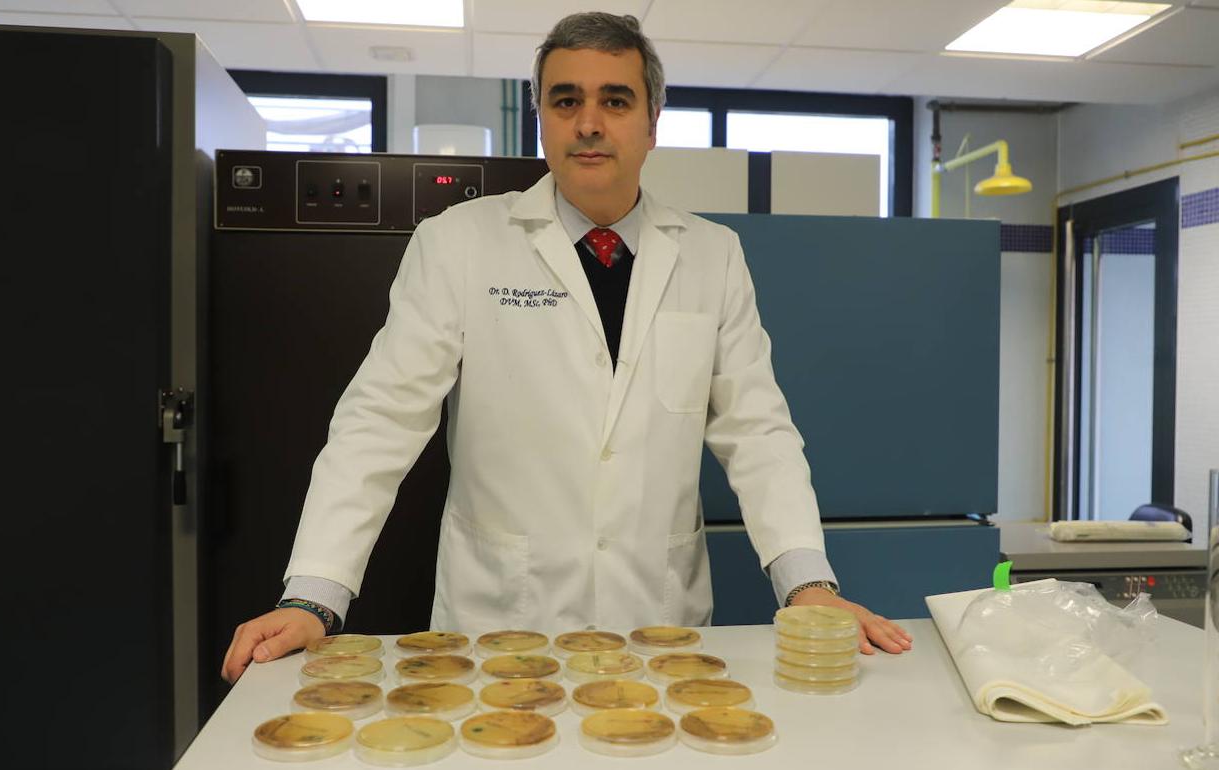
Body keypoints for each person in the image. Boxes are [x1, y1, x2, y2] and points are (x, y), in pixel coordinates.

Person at [222, 12, 911, 684]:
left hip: (659, 628)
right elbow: (379, 422)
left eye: (615, 100)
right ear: (542, 121)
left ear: (650, 125)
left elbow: (758, 431)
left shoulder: (712, 255)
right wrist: (315, 595)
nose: (588, 121)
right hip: (497, 626)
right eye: (566, 100)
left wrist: (806, 583)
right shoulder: (459, 243)